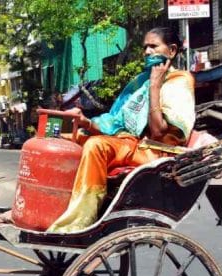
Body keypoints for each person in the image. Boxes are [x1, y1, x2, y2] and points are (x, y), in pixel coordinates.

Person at [47, 27, 195, 233]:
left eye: (153, 46)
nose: (147, 52)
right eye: (145, 47)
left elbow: (160, 131)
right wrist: (84, 122)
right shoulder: (139, 82)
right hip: (130, 144)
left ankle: (81, 219)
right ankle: (50, 207)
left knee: (96, 145)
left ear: (171, 50)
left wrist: (155, 87)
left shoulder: (179, 81)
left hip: (156, 152)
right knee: (64, 137)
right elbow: (115, 121)